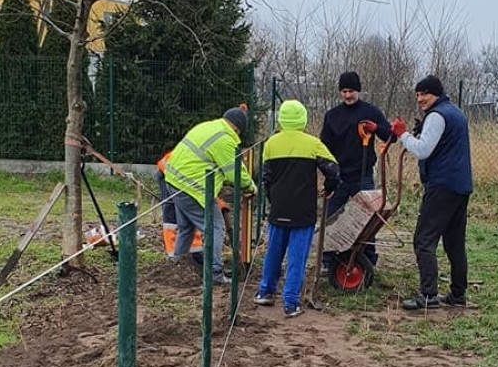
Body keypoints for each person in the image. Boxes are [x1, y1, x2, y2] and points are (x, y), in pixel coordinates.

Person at [390, 74, 473, 310]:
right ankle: (457, 295)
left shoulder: (437, 116)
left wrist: (402, 134)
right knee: (454, 243)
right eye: (417, 94)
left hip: (443, 185)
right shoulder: (454, 112)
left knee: (423, 240)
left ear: (435, 94)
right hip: (460, 185)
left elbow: (424, 150)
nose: (420, 99)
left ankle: (428, 296)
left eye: (424, 94)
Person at [256, 99, 339, 317]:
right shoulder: (312, 143)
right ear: (303, 119)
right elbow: (333, 170)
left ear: (281, 119)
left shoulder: (271, 144)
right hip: (303, 210)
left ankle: (265, 292)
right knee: (297, 256)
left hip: (279, 208)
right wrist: (329, 188)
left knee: (273, 251)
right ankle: (290, 303)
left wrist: (272, 199)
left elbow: (265, 177)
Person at [163, 107, 256, 284]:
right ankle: (215, 273)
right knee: (215, 227)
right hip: (193, 188)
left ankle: (177, 265)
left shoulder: (208, 127)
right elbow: (234, 172)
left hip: (174, 181)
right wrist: (251, 186)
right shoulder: (224, 140)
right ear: (237, 129)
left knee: (187, 227)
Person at [320, 71, 392, 264]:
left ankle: (368, 258)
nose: (347, 95)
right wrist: (329, 174)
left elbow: (388, 136)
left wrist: (376, 129)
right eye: (343, 91)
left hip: (363, 175)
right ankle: (329, 258)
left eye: (351, 91)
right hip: (340, 176)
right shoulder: (332, 116)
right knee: (331, 217)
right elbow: (324, 147)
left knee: (368, 218)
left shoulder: (371, 112)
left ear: (358, 90)